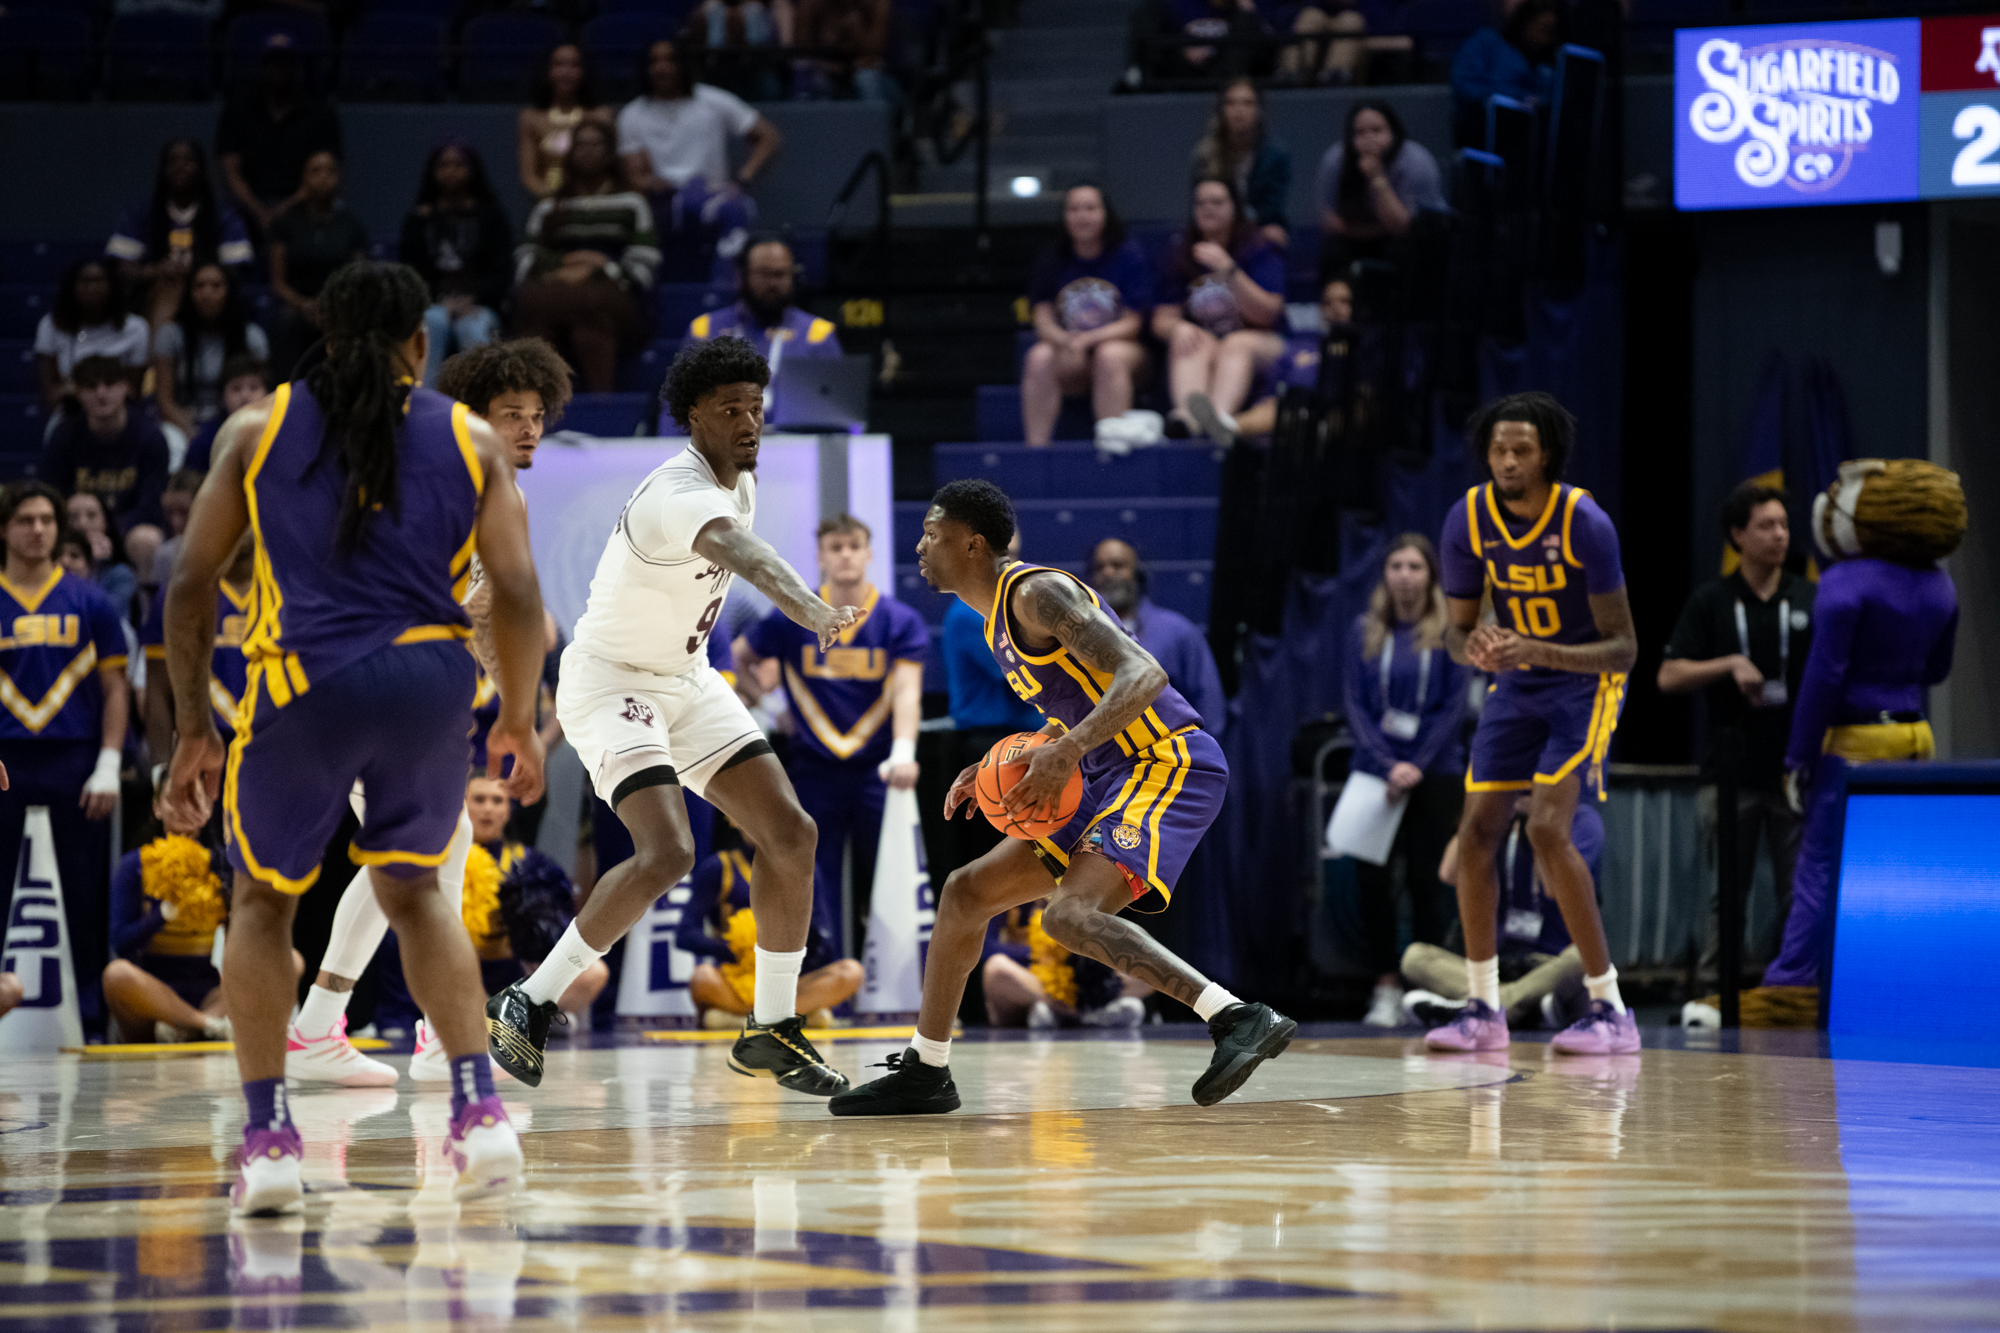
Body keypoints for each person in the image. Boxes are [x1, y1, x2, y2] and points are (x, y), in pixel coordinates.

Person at [159, 261, 546, 1214]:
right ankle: (477, 1111)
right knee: (420, 893)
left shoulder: (255, 428)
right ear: (422, 344)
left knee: (262, 902)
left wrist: (190, 727)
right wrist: (518, 716)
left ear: (325, 339)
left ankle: (270, 1139)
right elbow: (522, 591)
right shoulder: (470, 437)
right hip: (430, 682)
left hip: (305, 680)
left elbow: (189, 585)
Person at [832, 478, 1294, 1116]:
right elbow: (1075, 702)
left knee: (1067, 916)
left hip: (1166, 761)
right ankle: (926, 1069)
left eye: (932, 534)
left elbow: (1144, 672)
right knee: (965, 893)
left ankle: (1237, 1016)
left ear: (971, 543)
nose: (920, 546)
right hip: (1106, 771)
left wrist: (1068, 750)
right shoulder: (990, 616)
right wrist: (1006, 759)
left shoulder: (1035, 592)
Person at [490, 336, 857, 1096]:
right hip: (610, 682)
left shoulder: (738, 477)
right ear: (692, 416)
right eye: (731, 409)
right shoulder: (678, 491)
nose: (749, 421)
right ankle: (530, 998)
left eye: (756, 407)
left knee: (791, 833)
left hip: (686, 679)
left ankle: (772, 1027)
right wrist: (810, 606)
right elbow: (747, 556)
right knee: (668, 851)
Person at [286, 336, 573, 1088]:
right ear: (472, 416)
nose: (528, 429)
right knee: (426, 851)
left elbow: (481, 617)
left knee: (422, 852)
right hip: (354, 685)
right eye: (511, 414)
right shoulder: (441, 482)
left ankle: (327, 1028)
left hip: (393, 695)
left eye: (538, 415)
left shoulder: (491, 492)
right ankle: (427, 1032)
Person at [1430, 392, 1638, 1056]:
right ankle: (1482, 1007)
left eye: (1521, 449)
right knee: (1476, 832)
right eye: (1498, 449)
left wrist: (1535, 649)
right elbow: (1458, 634)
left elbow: (1624, 647)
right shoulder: (1467, 518)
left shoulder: (1586, 522)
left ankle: (1611, 1009)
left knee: (1549, 828)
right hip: (1517, 683)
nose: (1509, 460)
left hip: (1587, 683)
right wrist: (1480, 648)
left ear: (1545, 453)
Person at [1748, 459, 1962, 1022]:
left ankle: (1793, 979)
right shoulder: (1941, 583)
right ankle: (1899, 977)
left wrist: (1797, 754)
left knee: (1820, 861)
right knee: (1905, 863)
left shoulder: (1844, 582)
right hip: (1916, 733)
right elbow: (1938, 670)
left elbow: (1824, 677)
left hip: (1855, 739)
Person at [734, 513, 927, 962]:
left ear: (869, 553)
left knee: (888, 877)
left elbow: (908, 693)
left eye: (853, 546)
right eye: (835, 547)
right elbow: (738, 656)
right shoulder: (791, 618)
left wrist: (904, 751)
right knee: (813, 879)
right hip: (813, 768)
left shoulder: (901, 621)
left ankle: (895, 990)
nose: (845, 555)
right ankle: (825, 980)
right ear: (820, 556)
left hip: (878, 770)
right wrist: (769, 707)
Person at [1658, 483, 1813, 981]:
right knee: (1727, 893)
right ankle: (1713, 993)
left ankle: (1797, 987)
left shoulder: (1810, 596)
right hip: (1729, 774)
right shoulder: (1714, 599)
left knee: (1800, 891)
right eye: (1766, 526)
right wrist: (1728, 664)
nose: (1779, 535)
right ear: (1738, 535)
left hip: (1794, 771)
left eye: (1784, 525)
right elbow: (1668, 676)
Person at [0, 481, 131, 1040]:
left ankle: (91, 1014)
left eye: (47, 520)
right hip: (7, 759)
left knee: (83, 890)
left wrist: (108, 761)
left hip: (75, 762)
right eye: (26, 519)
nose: (38, 530)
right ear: (5, 528)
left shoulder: (90, 601)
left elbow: (116, 689)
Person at [1340, 535, 1468, 1026]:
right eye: (1396, 565)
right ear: (1385, 575)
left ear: (1430, 575)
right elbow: (1355, 704)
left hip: (1435, 774)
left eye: (1415, 566)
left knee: (1428, 881)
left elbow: (1453, 707)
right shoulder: (1364, 629)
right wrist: (1388, 762)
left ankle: (1428, 987)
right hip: (1377, 773)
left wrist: (1417, 763)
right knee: (1373, 882)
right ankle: (1387, 986)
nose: (1405, 575)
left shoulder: (1449, 630)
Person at [373, 772, 609, 1033]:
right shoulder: (434, 858)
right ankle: (402, 1017)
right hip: (446, 973)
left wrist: (535, 928)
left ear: (508, 810)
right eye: (479, 799)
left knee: (593, 971)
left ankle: (519, 1016)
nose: (488, 809)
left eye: (497, 800)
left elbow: (553, 939)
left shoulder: (531, 866)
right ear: (461, 805)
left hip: (509, 979)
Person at [1400, 796, 1593, 1030]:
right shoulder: (1498, 820)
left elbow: (1553, 888)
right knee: (1415, 956)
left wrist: (1540, 823)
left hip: (1550, 963)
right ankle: (1515, 1007)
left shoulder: (1583, 820)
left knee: (1582, 957)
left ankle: (1478, 1008)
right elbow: (1448, 874)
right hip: (1499, 963)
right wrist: (1478, 811)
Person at [103, 829, 294, 1043]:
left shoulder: (223, 864)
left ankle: (194, 1024)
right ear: (158, 807)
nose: (187, 809)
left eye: (197, 800)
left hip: (209, 994)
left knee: (291, 960)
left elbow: (245, 943)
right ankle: (202, 1025)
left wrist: (232, 917)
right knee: (116, 974)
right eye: (178, 798)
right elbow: (120, 941)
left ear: (208, 807)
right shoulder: (135, 864)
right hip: (152, 994)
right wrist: (161, 916)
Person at [515, 122, 660, 394]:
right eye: (581, 145)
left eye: (596, 144)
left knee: (592, 310)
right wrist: (562, 268)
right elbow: (527, 258)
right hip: (556, 286)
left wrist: (601, 268)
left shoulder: (632, 203)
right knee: (542, 314)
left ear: (609, 152)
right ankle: (540, 407)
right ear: (570, 153)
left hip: (612, 292)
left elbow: (645, 262)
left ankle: (599, 404)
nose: (588, 152)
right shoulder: (549, 207)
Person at [616, 40, 781, 277]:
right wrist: (650, 183)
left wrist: (744, 178)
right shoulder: (632, 114)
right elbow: (634, 176)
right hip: (663, 198)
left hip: (710, 193)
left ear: (683, 64)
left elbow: (768, 137)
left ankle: (724, 290)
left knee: (737, 208)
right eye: (654, 61)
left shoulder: (712, 100)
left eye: (670, 60)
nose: (662, 68)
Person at [680, 828, 865, 1029]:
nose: (755, 823)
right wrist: (731, 948)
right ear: (733, 820)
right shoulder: (719, 867)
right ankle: (795, 1017)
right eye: (746, 815)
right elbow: (685, 934)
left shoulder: (802, 868)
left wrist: (801, 944)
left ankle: (743, 1021)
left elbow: (826, 945)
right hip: (736, 980)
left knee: (851, 972)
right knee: (702, 977)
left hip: (790, 981)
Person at [1021, 184, 1153, 451]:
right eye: (1074, 209)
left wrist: (1088, 340)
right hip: (1071, 350)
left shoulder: (1128, 256)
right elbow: (1043, 318)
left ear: (1105, 214)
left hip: (1123, 350)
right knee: (1039, 357)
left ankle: (1112, 449)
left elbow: (1132, 323)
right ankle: (1035, 452)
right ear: (1065, 217)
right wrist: (1064, 339)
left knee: (1109, 355)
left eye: (1091, 208)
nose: (1083, 216)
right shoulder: (1052, 259)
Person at [1152, 178, 1286, 439]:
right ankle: (1188, 418)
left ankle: (1219, 420)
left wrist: (1230, 271)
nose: (1207, 209)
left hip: (1264, 343)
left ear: (1235, 207)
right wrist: (1178, 326)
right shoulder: (1181, 252)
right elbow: (1161, 321)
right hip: (1211, 342)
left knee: (1237, 343)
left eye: (1217, 202)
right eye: (1200, 203)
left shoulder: (1260, 249)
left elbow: (1268, 313)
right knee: (1186, 336)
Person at [41, 357, 172, 580]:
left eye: (110, 385)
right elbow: (54, 497)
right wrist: (82, 529)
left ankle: (146, 610)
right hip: (76, 525)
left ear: (126, 387)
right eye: (91, 387)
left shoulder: (150, 437)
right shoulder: (63, 435)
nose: (101, 394)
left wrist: (109, 529)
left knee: (148, 539)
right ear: (77, 392)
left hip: (130, 528)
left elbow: (151, 504)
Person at [140, 530, 250, 794]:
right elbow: (157, 690)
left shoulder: (295, 592)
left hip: (279, 746)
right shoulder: (175, 595)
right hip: (199, 748)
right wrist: (161, 772)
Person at [400, 141, 515, 389]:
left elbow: (503, 270)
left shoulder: (491, 216)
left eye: (459, 164)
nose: (451, 170)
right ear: (433, 171)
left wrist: (474, 296)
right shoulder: (419, 219)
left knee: (473, 328)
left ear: (473, 170)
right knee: (432, 324)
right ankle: (422, 405)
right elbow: (408, 273)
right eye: (444, 165)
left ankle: (483, 409)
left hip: (479, 305)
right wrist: (439, 299)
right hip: (432, 304)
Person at [107, 137, 254, 329]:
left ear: (201, 168)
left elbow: (234, 270)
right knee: (165, 289)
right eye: (172, 161)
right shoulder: (140, 213)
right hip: (151, 293)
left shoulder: (224, 216)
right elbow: (123, 269)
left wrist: (195, 271)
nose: (180, 167)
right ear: (162, 169)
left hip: (208, 294)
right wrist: (155, 271)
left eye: (188, 161)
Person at [1186, 276, 1351, 446]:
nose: (1335, 309)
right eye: (1327, 303)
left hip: (1324, 415)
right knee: (1276, 408)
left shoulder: (1366, 350)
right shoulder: (1302, 346)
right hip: (1280, 416)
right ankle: (1223, 428)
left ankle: (1220, 430)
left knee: (1288, 411)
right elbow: (1276, 385)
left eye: (1344, 301)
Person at [1086, 537, 1224, 731]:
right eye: (1099, 567)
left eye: (1118, 566)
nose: (1107, 573)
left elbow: (1209, 706)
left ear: (1137, 574)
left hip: (1169, 756)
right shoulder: (1079, 637)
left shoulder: (1177, 631)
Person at [215, 38, 345, 238]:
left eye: (285, 62)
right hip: (247, 208)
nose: (279, 68)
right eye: (273, 62)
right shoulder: (237, 111)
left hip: (304, 204)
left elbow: (327, 172)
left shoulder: (321, 115)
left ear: (297, 68)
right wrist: (260, 212)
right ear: (261, 67)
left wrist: (283, 210)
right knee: (227, 224)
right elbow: (230, 172)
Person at [268, 150, 370, 382]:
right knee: (285, 323)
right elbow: (278, 284)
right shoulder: (286, 223)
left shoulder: (352, 226)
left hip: (339, 308)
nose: (323, 177)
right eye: (315, 171)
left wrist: (332, 306)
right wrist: (305, 304)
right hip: (297, 305)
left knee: (358, 326)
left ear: (339, 178)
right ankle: (286, 398)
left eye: (330, 171)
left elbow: (359, 278)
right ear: (303, 178)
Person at [1315, 100, 1445, 282]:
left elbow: (1405, 228)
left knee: (1401, 252)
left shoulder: (1417, 163)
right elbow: (1329, 221)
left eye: (1377, 130)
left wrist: (1377, 177)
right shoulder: (1336, 160)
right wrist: (1375, 230)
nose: (1369, 139)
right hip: (1357, 238)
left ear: (1393, 131)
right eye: (1360, 133)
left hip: (1412, 241)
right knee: (1333, 253)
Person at [980, 900, 1148, 1029]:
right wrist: (1045, 954)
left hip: (1078, 982)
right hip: (1030, 980)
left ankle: (1080, 1010)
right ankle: (1082, 1012)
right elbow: (986, 948)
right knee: (996, 967)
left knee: (1147, 966)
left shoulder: (1081, 884)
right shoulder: (1005, 887)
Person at [152, 262, 270, 439]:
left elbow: (262, 394)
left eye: (216, 285)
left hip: (237, 419)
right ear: (189, 293)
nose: (207, 292)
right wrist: (189, 428)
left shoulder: (252, 337)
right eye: (199, 285)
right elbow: (164, 400)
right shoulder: (170, 335)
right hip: (185, 421)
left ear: (229, 291)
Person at [688, 235, 841, 363]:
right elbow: (680, 397)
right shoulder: (705, 331)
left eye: (780, 274)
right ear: (742, 275)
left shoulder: (818, 334)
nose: (772, 283)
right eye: (763, 273)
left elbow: (836, 397)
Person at [34, 259, 152, 415]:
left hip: (119, 415)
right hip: (70, 413)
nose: (92, 288)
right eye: (85, 281)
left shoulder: (136, 328)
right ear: (71, 287)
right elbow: (50, 393)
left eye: (99, 281)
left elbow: (134, 391)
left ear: (112, 286)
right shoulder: (50, 325)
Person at [1189, 80, 1291, 249]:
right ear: (1221, 110)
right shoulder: (1205, 153)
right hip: (1217, 227)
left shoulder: (1276, 155)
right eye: (1231, 103)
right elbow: (1201, 201)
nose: (1239, 110)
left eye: (1247, 103)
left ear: (1259, 110)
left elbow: (1271, 209)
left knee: (1276, 234)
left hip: (1258, 227)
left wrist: (1242, 226)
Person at [1450, 0, 1562, 146]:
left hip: (1528, 132)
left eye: (1550, 32)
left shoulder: (1546, 63)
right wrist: (1513, 99)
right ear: (1525, 22)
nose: (1545, 38)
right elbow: (1465, 85)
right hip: (1483, 122)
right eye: (1542, 29)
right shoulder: (1485, 42)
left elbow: (1547, 97)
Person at [518, 43, 615, 200]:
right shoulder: (531, 119)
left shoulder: (600, 116)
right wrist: (552, 199)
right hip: (549, 203)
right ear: (548, 71)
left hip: (596, 201)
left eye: (574, 65)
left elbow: (612, 169)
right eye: (559, 64)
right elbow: (529, 176)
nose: (567, 72)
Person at [1132, 0, 1270, 84]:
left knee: (1246, 24)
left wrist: (1249, 12)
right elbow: (1166, 42)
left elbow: (1269, 47)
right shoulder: (1182, 5)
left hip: (1227, 73)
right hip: (1185, 72)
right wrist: (1182, 50)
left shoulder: (1244, 11)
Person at [183, 357, 270, 477]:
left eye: (254, 387)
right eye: (236, 388)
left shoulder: (280, 434)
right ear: (223, 396)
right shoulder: (204, 439)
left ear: (269, 394)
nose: (245, 396)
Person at [793, 0, 894, 102]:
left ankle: (874, 117)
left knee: (866, 78)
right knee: (816, 78)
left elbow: (874, 55)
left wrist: (856, 30)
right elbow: (801, 50)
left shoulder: (877, 4)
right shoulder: (813, 4)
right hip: (825, 66)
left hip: (869, 71)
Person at [689, 0, 788, 104]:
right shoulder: (709, 9)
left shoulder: (757, 10)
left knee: (770, 89)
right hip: (717, 68)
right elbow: (701, 45)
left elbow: (765, 44)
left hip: (755, 67)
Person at [64, 491, 140, 620]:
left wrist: (93, 567)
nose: (82, 524)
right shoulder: (55, 565)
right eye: (73, 517)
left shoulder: (120, 574)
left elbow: (107, 616)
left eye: (91, 515)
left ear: (106, 521)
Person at [1273, 0, 1367, 87]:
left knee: (1351, 20)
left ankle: (1335, 77)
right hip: (1306, 14)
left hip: (1351, 16)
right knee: (1310, 17)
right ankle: (1295, 76)